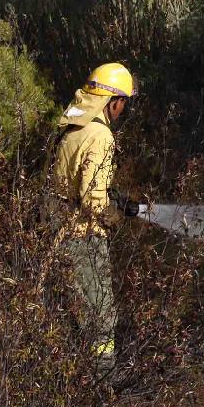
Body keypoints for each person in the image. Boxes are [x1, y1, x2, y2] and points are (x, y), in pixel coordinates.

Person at [51, 62, 137, 373]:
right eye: (124, 102)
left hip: (59, 230)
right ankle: (103, 378)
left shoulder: (73, 127)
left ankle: (73, 380)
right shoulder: (101, 135)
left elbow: (73, 182)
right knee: (101, 313)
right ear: (114, 101)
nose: (123, 109)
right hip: (82, 235)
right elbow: (92, 199)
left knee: (71, 311)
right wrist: (114, 217)